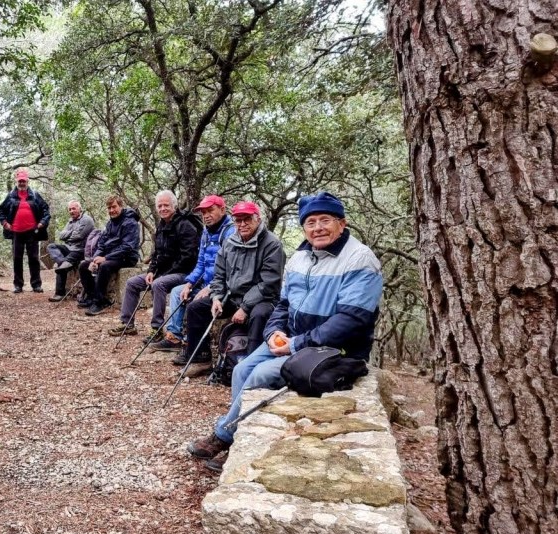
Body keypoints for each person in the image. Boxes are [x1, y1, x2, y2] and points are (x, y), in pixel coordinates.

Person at [186, 192, 383, 474]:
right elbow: (283, 303)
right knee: (242, 369)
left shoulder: (359, 259)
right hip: (292, 338)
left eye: (325, 220)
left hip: (333, 350)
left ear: (342, 223)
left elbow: (351, 320)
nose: (317, 228)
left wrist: (296, 343)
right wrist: (274, 330)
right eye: (311, 222)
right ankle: (240, 433)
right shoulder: (301, 257)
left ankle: (225, 437)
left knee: (260, 375)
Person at [173, 200, 284, 366]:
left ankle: (252, 365)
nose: (243, 224)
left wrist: (245, 308)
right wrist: (216, 297)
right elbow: (219, 275)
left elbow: (268, 283)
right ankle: (200, 357)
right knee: (195, 308)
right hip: (232, 297)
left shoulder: (272, 244)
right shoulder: (230, 242)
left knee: (259, 315)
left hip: (262, 299)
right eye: (238, 220)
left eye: (247, 219)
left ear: (258, 219)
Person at [108, 190, 199, 337]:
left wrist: (164, 274)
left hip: (184, 274)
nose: (162, 209)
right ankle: (127, 324)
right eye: (160, 206)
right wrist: (151, 271)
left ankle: (156, 329)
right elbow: (156, 254)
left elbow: (189, 257)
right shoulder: (162, 226)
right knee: (132, 283)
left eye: (166, 205)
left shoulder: (185, 225)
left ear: (174, 206)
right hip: (163, 272)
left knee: (158, 284)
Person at [149, 195, 234, 350]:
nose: (206, 215)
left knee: (195, 302)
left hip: (221, 286)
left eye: (210, 211)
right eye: (203, 213)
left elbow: (231, 269)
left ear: (222, 210)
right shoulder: (206, 233)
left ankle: (192, 343)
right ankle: (174, 337)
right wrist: (189, 283)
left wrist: (210, 288)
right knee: (177, 291)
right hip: (206, 282)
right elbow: (200, 263)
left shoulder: (230, 233)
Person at [77, 195, 141, 316]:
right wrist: (94, 259)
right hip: (111, 255)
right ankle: (91, 297)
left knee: (105, 266)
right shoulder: (110, 223)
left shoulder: (130, 222)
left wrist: (105, 258)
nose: (111, 210)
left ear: (121, 206)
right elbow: (101, 244)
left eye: (114, 207)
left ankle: (99, 302)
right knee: (84, 265)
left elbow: (127, 247)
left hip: (127, 257)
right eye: (109, 208)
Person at [0, 168, 52, 293]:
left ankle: (36, 284)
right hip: (16, 232)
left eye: (24, 181)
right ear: (17, 182)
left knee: (33, 258)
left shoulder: (35, 195)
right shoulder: (10, 196)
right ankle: (18, 285)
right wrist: (5, 223)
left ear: (27, 182)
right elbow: (1, 211)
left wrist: (42, 223)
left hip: (32, 231)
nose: (22, 184)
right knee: (17, 258)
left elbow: (46, 210)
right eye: (20, 181)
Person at [46, 200, 95, 302]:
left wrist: (69, 235)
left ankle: (59, 293)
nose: (71, 211)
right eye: (70, 209)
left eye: (74, 208)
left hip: (82, 250)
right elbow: (61, 235)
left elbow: (79, 236)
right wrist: (72, 233)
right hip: (69, 248)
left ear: (79, 209)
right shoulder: (70, 221)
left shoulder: (87, 220)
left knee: (64, 263)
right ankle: (65, 263)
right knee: (51, 246)